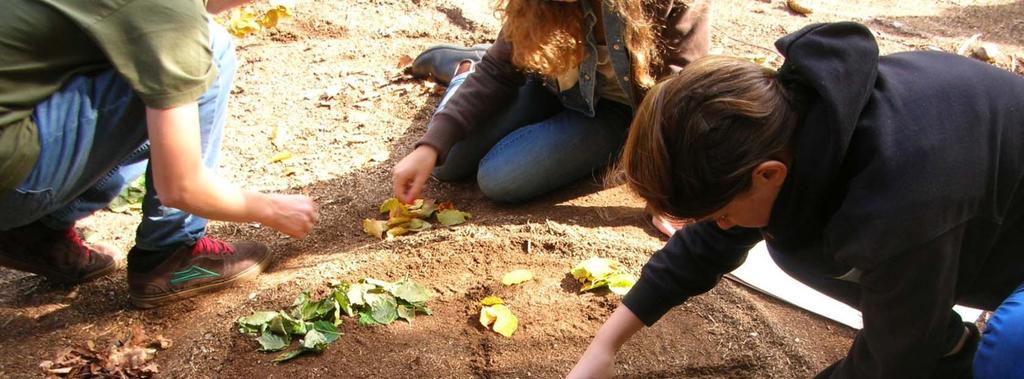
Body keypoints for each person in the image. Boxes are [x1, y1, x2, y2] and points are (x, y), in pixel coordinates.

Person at [569, 22, 1024, 378]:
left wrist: (912, 342)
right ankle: (947, 345)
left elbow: (889, 366)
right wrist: (603, 347)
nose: (721, 226)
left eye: (723, 214)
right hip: (976, 219)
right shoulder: (792, 118)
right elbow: (706, 244)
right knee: (797, 247)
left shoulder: (897, 207)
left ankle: (950, 351)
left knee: (1007, 350)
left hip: (1002, 252)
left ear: (768, 174)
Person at [0, 0, 318, 308]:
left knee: (149, 56)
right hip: (10, 181)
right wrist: (272, 209)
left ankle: (36, 232)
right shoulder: (169, 12)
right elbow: (181, 187)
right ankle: (172, 252)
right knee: (206, 49)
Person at [392, 0, 711, 227]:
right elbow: (498, 70)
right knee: (446, 163)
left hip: (615, 113)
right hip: (548, 81)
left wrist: (665, 188)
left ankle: (466, 70)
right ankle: (466, 69)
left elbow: (678, 95)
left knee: (501, 178)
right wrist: (431, 145)